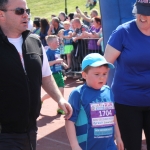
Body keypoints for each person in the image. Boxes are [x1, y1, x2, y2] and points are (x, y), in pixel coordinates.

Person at [0, 0, 72, 150]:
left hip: (30, 130)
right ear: (2, 14)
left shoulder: (34, 41)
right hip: (4, 133)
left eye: (27, 11)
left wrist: (59, 99)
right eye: (20, 11)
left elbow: (46, 75)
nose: (26, 15)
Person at [104, 1, 150, 150]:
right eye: (139, 11)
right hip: (127, 102)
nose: (142, 16)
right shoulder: (122, 32)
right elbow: (105, 65)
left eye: (147, 12)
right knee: (130, 147)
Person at [65, 53, 124, 150]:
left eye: (104, 74)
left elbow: (113, 116)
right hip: (88, 146)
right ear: (84, 75)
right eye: (97, 74)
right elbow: (69, 121)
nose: (102, 77)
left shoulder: (108, 91)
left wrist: (118, 137)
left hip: (109, 146)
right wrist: (74, 145)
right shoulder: (78, 94)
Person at [41, 35, 68, 114]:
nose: (58, 42)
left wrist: (63, 64)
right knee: (55, 92)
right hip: (53, 74)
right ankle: (41, 99)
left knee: (61, 90)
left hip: (59, 73)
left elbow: (58, 60)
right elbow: (47, 64)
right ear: (51, 43)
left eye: (58, 41)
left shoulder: (57, 50)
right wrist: (56, 62)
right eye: (56, 41)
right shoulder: (48, 53)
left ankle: (60, 108)